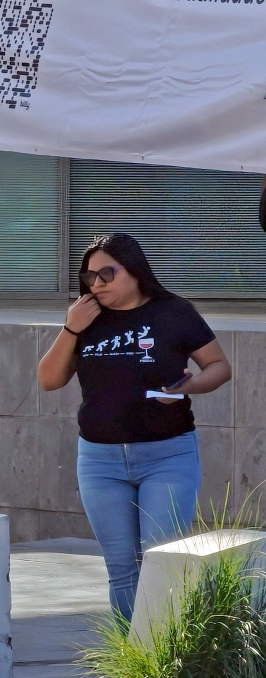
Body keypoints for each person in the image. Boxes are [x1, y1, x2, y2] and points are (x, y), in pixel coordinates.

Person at [37, 233, 231, 621]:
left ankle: (164, 653)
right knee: (122, 568)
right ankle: (134, 657)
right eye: (89, 277)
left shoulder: (173, 312)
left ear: (135, 270)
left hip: (167, 455)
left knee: (161, 559)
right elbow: (48, 380)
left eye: (106, 273)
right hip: (100, 461)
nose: (97, 284)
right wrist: (71, 328)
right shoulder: (85, 318)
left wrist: (188, 386)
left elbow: (219, 367)